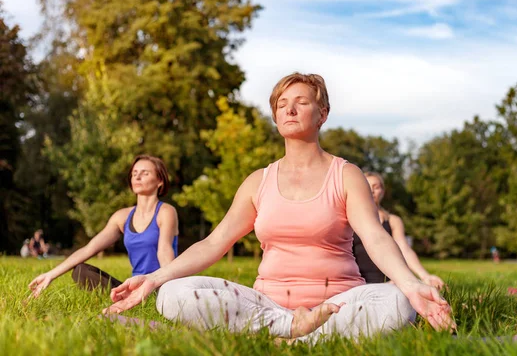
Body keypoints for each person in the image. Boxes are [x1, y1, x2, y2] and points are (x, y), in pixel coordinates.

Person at [103, 73, 454, 341]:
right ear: (275, 116)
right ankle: (293, 330)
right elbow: (214, 242)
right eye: (282, 103)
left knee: (399, 302)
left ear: (323, 113)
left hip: (339, 305)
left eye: (301, 101)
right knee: (172, 294)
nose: (289, 108)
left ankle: (285, 336)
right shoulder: (258, 181)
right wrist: (153, 278)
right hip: (267, 304)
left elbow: (376, 238)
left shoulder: (346, 175)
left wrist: (411, 285)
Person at [28, 155, 179, 296]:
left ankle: (150, 297)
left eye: (145, 173)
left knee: (160, 290)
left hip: (159, 285)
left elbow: (164, 250)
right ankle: (126, 297)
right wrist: (50, 275)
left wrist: (172, 290)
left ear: (160, 181)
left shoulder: (166, 212)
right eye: (134, 173)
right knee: (81, 271)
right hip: (135, 286)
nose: (137, 177)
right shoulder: (122, 217)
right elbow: (90, 248)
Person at [353, 172, 444, 289]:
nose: (372, 190)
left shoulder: (393, 221)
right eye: (367, 186)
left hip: (389, 283)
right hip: (357, 283)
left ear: (383, 191)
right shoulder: (349, 218)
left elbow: (404, 249)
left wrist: (425, 276)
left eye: (376, 187)